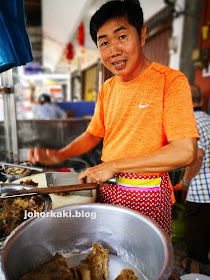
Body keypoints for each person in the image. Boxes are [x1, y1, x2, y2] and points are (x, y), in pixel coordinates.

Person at [29, 0, 199, 237]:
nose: (114, 51)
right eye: (104, 42)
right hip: (107, 188)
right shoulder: (107, 88)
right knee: (104, 253)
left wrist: (114, 165)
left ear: (141, 36)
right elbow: (93, 134)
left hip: (146, 192)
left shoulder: (170, 81)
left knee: (142, 262)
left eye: (122, 37)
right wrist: (61, 154)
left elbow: (185, 152)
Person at [179, 85, 210, 274]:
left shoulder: (191, 122)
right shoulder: (207, 119)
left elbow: (197, 156)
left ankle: (194, 270)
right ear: (202, 101)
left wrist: (185, 181)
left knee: (196, 240)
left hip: (201, 194)